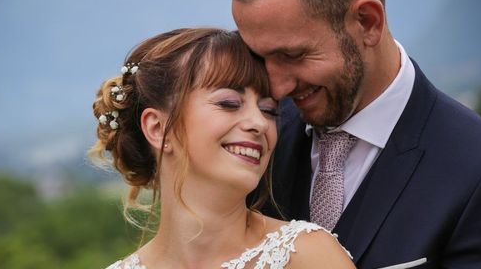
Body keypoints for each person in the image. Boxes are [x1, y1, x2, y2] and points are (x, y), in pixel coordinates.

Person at [229, 0, 481, 269]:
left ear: (367, 22)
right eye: (259, 57)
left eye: (294, 55)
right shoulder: (255, 139)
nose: (277, 86)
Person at [90, 28, 355, 269]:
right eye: (229, 103)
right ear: (158, 129)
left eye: (269, 110)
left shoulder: (307, 256)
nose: (259, 123)